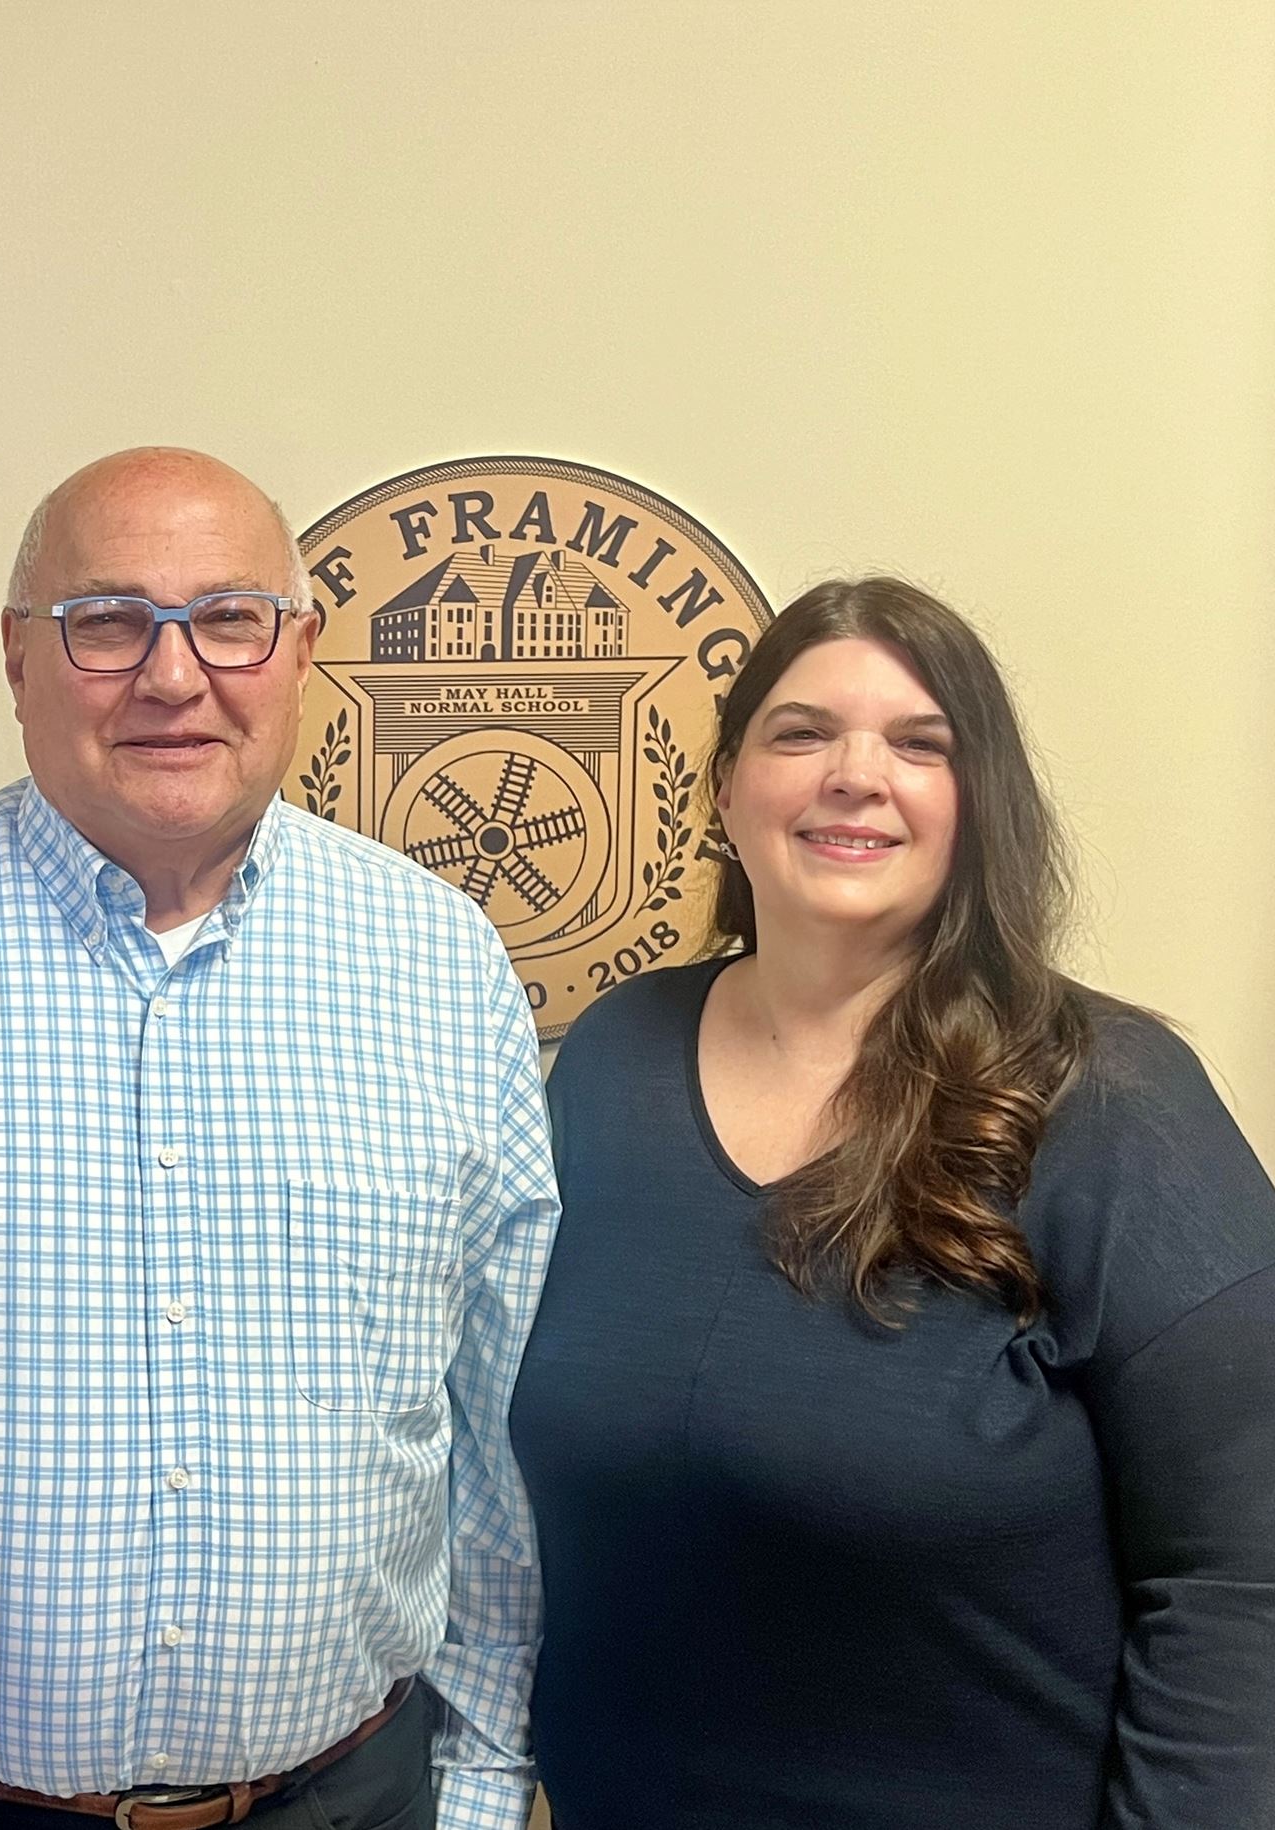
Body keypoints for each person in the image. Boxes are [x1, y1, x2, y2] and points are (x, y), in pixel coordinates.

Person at [0, 447, 561, 1830]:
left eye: (230, 617)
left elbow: (498, 1422)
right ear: (17, 660)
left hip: (346, 1798)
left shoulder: (438, 960)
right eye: (107, 621)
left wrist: (480, 1786)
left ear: (301, 651)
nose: (174, 676)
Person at [508, 577, 1275, 1828]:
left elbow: (1241, 1576)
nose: (854, 775)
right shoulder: (612, 1058)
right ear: (719, 790)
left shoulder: (1110, 1102)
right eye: (800, 733)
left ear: (975, 808)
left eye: (919, 743)